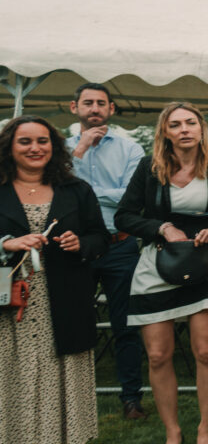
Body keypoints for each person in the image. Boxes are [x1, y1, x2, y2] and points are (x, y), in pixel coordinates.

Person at [115, 102, 208, 444]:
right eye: (176, 124)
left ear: (201, 128)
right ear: (166, 132)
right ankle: (172, 433)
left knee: (205, 350)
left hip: (205, 263)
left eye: (191, 122)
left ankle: (205, 428)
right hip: (158, 262)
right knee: (158, 355)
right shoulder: (150, 167)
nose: (184, 129)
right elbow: (124, 217)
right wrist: (161, 227)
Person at [0, 116, 109, 444]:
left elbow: (100, 236)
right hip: (7, 301)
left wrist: (81, 243)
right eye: (25, 142)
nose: (35, 149)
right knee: (8, 375)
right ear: (10, 147)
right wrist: (6, 243)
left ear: (54, 146)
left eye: (43, 141)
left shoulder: (76, 190)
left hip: (59, 298)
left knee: (43, 374)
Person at [64, 83, 147, 419]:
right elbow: (58, 192)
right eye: (88, 103)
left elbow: (130, 198)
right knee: (73, 324)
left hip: (119, 245)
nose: (94, 108)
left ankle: (131, 399)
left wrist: (82, 192)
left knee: (126, 326)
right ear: (74, 107)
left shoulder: (131, 149)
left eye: (101, 103)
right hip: (74, 248)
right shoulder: (60, 148)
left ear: (111, 108)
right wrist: (80, 150)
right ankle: (73, 400)